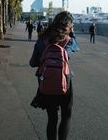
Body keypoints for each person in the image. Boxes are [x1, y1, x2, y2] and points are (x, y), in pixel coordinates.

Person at [29, 11, 79, 140]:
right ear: (69, 25)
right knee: (66, 116)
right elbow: (76, 47)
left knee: (52, 118)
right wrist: (72, 33)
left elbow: (32, 63)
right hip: (65, 83)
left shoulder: (42, 40)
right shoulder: (68, 40)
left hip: (45, 82)